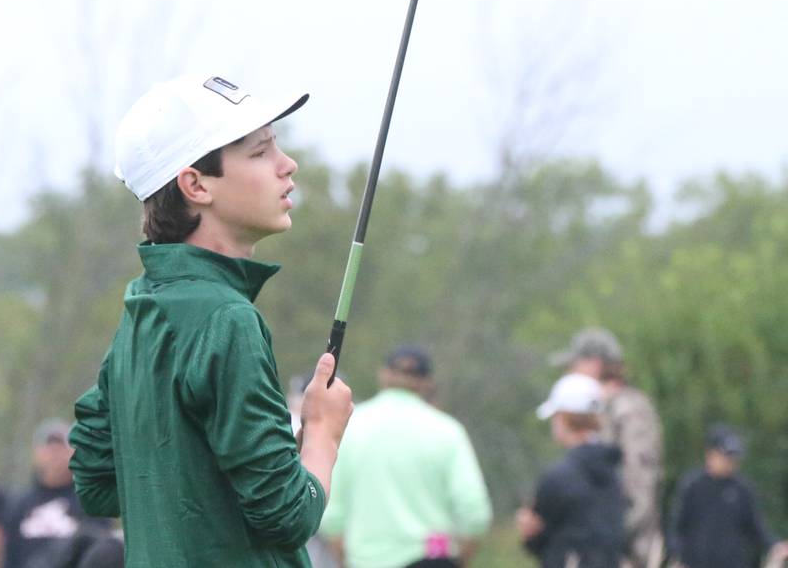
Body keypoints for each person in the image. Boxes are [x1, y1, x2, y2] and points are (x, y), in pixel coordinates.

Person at [68, 74, 354, 567]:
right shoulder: (228, 320)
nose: (288, 165)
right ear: (195, 185)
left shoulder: (141, 306)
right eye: (260, 152)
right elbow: (288, 517)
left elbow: (98, 482)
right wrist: (323, 435)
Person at [320, 345, 492, 568]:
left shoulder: (351, 427)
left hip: (368, 560)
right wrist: (460, 561)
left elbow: (332, 513)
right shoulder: (447, 431)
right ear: (427, 382)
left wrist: (343, 559)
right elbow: (474, 513)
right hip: (431, 557)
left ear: (383, 374)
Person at [550, 327, 663, 568]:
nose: (569, 373)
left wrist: (607, 543)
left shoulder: (630, 410)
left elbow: (639, 492)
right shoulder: (597, 408)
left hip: (625, 554)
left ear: (593, 364)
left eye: (573, 365)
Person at [517, 372, 625, 568]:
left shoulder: (557, 478)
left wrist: (528, 533)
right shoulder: (615, 473)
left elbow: (539, 542)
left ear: (563, 418)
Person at [667, 424, 788, 568]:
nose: (731, 462)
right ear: (711, 454)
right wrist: (677, 556)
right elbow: (676, 528)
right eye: (726, 456)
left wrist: (775, 545)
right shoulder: (692, 486)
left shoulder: (742, 490)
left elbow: (756, 528)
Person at [3, 419, 109, 568]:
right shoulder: (20, 504)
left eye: (60, 449)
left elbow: (101, 551)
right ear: (37, 454)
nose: (55, 456)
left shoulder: (90, 500)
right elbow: (9, 556)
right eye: (49, 449)